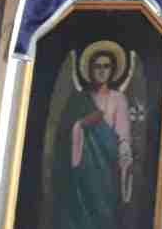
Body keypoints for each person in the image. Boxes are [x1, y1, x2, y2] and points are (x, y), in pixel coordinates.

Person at [54, 46, 134, 228]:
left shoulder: (118, 98)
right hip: (84, 168)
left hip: (107, 167)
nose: (102, 70)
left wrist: (124, 150)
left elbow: (122, 135)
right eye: (97, 66)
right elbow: (64, 133)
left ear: (112, 70)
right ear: (90, 69)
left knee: (104, 213)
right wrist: (82, 124)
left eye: (106, 66)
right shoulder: (79, 99)